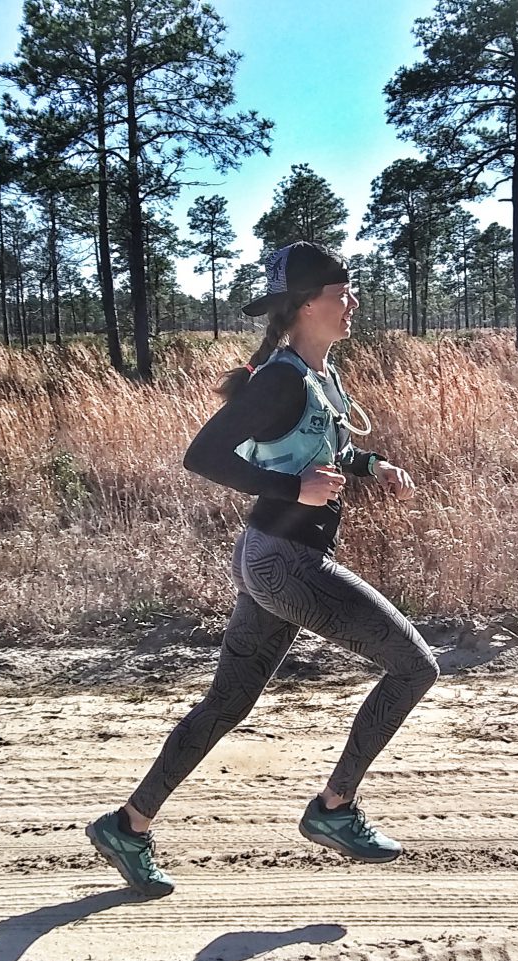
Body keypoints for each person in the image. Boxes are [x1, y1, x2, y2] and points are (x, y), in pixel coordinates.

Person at [86, 241, 439, 897]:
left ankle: (127, 825)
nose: (352, 301)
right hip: (285, 561)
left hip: (274, 559)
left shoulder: (316, 376)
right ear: (308, 304)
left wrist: (371, 466)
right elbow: (203, 455)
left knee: (227, 703)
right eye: (342, 293)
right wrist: (294, 492)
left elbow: (316, 453)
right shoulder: (279, 378)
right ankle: (335, 809)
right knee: (416, 666)